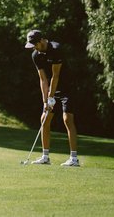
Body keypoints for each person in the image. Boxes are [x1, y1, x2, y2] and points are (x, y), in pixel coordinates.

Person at [24, 29, 80, 166]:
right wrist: (45, 101)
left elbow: (56, 76)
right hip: (52, 89)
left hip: (67, 87)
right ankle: (45, 157)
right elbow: (43, 79)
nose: (34, 48)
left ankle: (74, 159)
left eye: (35, 45)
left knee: (67, 119)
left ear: (41, 41)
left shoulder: (56, 49)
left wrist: (51, 97)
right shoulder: (36, 55)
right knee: (44, 119)